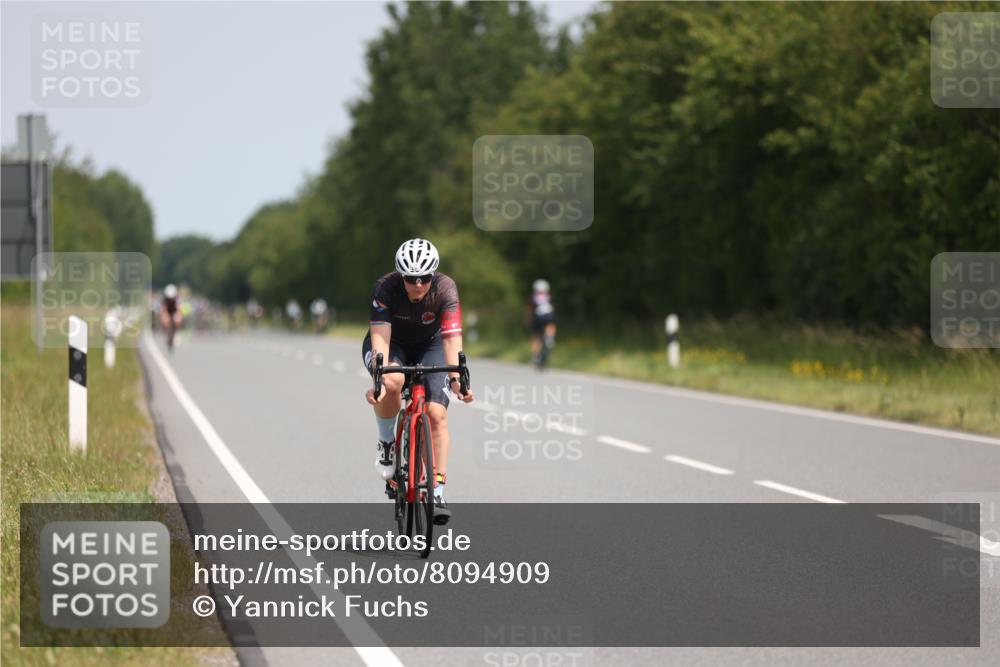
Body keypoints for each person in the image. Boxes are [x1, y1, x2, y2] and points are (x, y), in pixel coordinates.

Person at [362, 238, 474, 524]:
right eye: (411, 279)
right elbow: (380, 337)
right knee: (394, 381)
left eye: (425, 278)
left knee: (436, 415)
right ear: (402, 276)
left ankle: (437, 489)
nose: (419, 284)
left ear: (433, 274)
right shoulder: (385, 288)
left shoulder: (446, 288)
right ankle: (387, 442)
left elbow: (451, 338)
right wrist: (380, 377)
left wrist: (456, 379)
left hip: (431, 344)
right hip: (393, 343)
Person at [529, 279, 556, 370]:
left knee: (536, 336)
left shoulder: (533, 297)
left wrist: (528, 319)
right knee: (551, 325)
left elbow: (530, 310)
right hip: (549, 316)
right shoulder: (549, 296)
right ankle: (550, 336)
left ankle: (536, 355)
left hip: (537, 317)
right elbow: (552, 308)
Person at [160, 284, 183, 351]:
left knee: (177, 320)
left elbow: (179, 309)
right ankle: (167, 333)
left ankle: (176, 333)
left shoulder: (177, 299)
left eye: (171, 298)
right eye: (168, 298)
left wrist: (178, 317)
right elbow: (163, 310)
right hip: (167, 311)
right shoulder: (164, 300)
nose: (170, 299)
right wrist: (165, 318)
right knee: (165, 320)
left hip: (174, 311)